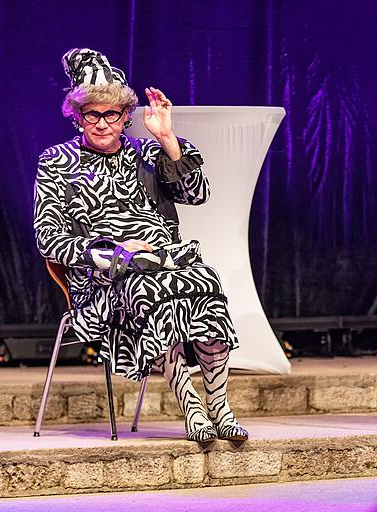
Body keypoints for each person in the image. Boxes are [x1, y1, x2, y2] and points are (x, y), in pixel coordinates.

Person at [33, 48, 247, 443]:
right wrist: (116, 252)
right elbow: (48, 238)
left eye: (110, 114)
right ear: (77, 116)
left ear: (125, 115)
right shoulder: (57, 161)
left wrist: (167, 138)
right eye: (91, 114)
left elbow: (197, 194)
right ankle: (192, 408)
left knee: (207, 283)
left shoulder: (147, 153)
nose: (101, 123)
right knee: (150, 289)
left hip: (166, 260)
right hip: (103, 279)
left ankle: (219, 403)